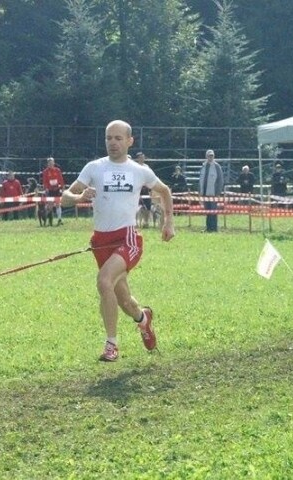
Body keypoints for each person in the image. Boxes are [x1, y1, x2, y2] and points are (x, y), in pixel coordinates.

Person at [61, 120, 175, 362]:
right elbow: (65, 197)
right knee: (124, 301)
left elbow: (164, 191)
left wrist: (168, 222)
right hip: (101, 241)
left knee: (104, 281)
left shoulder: (139, 170)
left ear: (130, 141)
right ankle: (143, 319)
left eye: (118, 138)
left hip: (128, 238)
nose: (112, 142)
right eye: (108, 138)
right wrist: (79, 195)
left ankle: (111, 345)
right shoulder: (94, 168)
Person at [198, 149, 223, 232]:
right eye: (209, 155)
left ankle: (214, 228)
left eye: (212, 155)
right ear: (206, 156)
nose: (210, 157)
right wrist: (200, 192)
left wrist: (218, 193)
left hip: (213, 193)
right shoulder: (203, 166)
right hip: (204, 193)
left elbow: (220, 181)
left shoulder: (217, 166)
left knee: (213, 211)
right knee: (208, 211)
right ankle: (208, 228)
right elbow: (200, 180)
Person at [42, 157, 65, 226]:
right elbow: (45, 181)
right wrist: (46, 188)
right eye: (49, 163)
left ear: (54, 163)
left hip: (57, 189)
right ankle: (47, 219)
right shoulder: (45, 171)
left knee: (58, 204)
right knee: (50, 205)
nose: (51, 164)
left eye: (52, 163)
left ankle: (59, 219)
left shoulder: (57, 170)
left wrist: (62, 187)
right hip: (50, 190)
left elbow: (61, 179)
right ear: (47, 164)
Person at [135, 152, 152, 228]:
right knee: (136, 206)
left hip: (145, 189)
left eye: (143, 157)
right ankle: (135, 222)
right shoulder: (135, 167)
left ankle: (146, 222)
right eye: (141, 157)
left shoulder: (146, 167)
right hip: (137, 189)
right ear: (138, 158)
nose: (142, 159)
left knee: (148, 206)